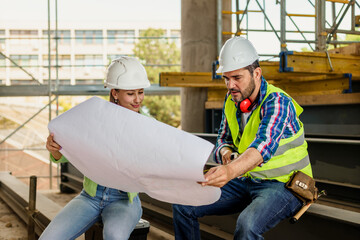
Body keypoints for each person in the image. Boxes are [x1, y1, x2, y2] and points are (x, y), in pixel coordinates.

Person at [172, 36, 313, 240]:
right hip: (246, 179)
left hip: (283, 184)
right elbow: (222, 141)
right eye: (226, 79)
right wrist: (227, 155)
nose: (230, 85)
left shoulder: (278, 102)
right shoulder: (232, 101)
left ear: (256, 74)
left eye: (237, 78)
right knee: (183, 203)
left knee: (247, 225)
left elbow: (262, 148)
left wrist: (229, 171)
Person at [40, 56, 151, 240]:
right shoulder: (94, 120)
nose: (137, 99)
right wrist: (54, 149)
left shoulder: (150, 127)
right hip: (90, 197)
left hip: (124, 201)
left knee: (115, 237)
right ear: (115, 93)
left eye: (140, 92)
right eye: (131, 94)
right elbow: (65, 155)